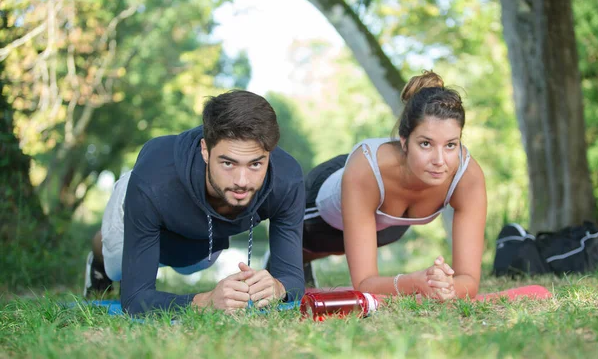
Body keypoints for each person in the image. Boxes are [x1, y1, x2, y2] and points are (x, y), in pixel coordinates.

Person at [83, 90, 306, 315]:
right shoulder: (152, 181)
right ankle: (99, 259)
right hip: (151, 198)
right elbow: (134, 299)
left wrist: (278, 287)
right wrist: (205, 301)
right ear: (205, 151)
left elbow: (293, 278)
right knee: (117, 268)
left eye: (255, 164)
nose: (242, 181)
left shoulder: (287, 180)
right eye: (228, 163)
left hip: (203, 239)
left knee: (195, 265)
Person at [302, 71, 487, 300]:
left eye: (450, 145)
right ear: (404, 141)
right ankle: (297, 261)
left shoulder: (467, 176)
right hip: (321, 207)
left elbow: (468, 280)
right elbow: (363, 285)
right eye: (426, 144)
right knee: (308, 251)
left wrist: (445, 288)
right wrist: (413, 283)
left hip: (387, 224)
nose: (440, 160)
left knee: (376, 233)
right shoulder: (366, 170)